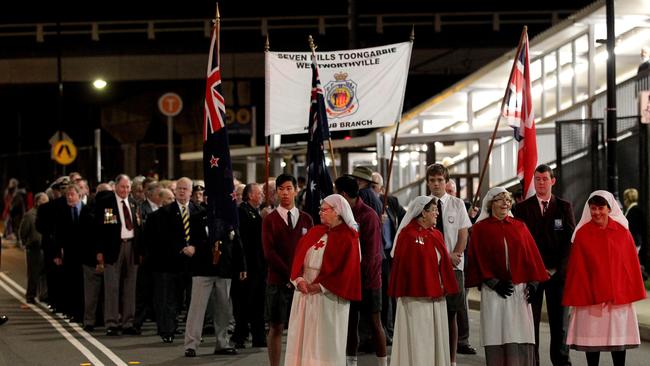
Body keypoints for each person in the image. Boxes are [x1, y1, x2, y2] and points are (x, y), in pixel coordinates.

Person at [466, 187, 549, 365]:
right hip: (494, 292)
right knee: (497, 334)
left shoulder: (520, 226)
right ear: (490, 204)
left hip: (519, 291)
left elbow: (531, 256)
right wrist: (493, 282)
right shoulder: (480, 229)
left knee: (520, 334)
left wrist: (534, 284)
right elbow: (477, 259)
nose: (505, 203)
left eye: (508, 200)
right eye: (500, 199)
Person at [562, 190, 646, 366]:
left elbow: (629, 267)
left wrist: (620, 289)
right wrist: (588, 291)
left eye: (601, 208)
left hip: (617, 300)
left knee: (618, 344)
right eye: (593, 208)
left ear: (609, 208)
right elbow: (577, 269)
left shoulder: (623, 233)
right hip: (590, 299)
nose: (597, 212)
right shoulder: (582, 234)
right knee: (592, 344)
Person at [284, 194, 362, 366]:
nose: (320, 212)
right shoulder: (315, 232)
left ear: (337, 212)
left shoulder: (349, 238)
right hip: (304, 296)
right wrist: (298, 280)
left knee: (324, 345)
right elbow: (298, 260)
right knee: (302, 342)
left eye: (324, 209)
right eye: (320, 209)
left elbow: (348, 272)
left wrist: (320, 286)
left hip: (329, 298)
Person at [512, 164, 576, 366]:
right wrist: (536, 270)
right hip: (532, 275)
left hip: (557, 275)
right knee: (531, 322)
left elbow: (570, 242)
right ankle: (532, 361)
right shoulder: (522, 208)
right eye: (537, 179)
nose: (540, 183)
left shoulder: (564, 207)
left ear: (552, 181)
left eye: (544, 179)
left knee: (560, 324)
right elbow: (520, 244)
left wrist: (557, 269)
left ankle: (561, 361)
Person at [388, 196, 458, 365]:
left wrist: (442, 285)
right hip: (416, 300)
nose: (437, 213)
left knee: (434, 340)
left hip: (436, 297)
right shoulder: (407, 235)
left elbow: (443, 265)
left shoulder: (436, 234)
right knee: (419, 341)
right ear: (423, 213)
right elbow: (407, 268)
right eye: (433, 210)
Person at [262, 174, 314, 366]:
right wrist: (292, 275)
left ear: (296, 190)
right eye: (281, 189)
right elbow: (269, 253)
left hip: (302, 284)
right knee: (276, 327)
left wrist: (301, 278)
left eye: (289, 188)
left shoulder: (307, 219)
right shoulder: (270, 220)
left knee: (302, 329)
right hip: (278, 282)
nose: (285, 193)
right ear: (276, 192)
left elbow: (312, 251)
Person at [335, 175, 387, 366]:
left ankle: (383, 363)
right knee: (350, 325)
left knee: (375, 324)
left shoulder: (368, 215)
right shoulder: (341, 214)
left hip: (369, 281)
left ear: (343, 194)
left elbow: (372, 255)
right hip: (350, 280)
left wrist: (357, 277)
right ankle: (351, 363)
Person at [426, 163, 474, 363]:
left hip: (455, 266)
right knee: (432, 313)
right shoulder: (422, 204)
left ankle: (452, 358)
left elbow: (463, 233)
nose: (436, 184)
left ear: (446, 182)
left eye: (440, 180)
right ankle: (435, 356)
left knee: (452, 313)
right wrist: (443, 257)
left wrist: (455, 254)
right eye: (432, 180)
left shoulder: (457, 204)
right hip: (431, 266)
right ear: (428, 182)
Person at [95, 174, 142, 336]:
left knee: (130, 287)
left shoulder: (134, 203)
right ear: (115, 186)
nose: (125, 190)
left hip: (132, 247)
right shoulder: (106, 203)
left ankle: (128, 322)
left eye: (128, 187)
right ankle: (112, 323)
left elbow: (139, 228)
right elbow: (101, 230)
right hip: (113, 248)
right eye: (122, 187)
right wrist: (100, 251)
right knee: (112, 287)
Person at [370, 172, 405, 344]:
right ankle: (380, 331)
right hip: (376, 256)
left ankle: (391, 330)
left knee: (391, 294)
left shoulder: (391, 202)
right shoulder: (367, 204)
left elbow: (407, 218)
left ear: (382, 189)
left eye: (374, 186)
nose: (371, 190)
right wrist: (377, 221)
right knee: (380, 295)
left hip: (390, 254)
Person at [232, 183, 267, 348]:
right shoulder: (242, 212)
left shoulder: (256, 212)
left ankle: (258, 337)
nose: (262, 196)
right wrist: (243, 266)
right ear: (251, 195)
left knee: (257, 303)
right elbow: (242, 242)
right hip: (248, 266)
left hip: (259, 265)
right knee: (245, 303)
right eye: (259, 193)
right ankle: (240, 336)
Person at [19, 192, 49, 304]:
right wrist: (25, 242)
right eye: (43, 201)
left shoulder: (47, 214)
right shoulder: (30, 215)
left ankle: (43, 295)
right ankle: (30, 295)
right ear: (37, 202)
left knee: (44, 273)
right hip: (34, 248)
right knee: (33, 273)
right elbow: (23, 231)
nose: (46, 203)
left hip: (45, 247)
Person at [623, 188, 648, 280]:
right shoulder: (635, 210)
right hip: (636, 242)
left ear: (627, 199)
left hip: (635, 243)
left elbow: (634, 229)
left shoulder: (634, 211)